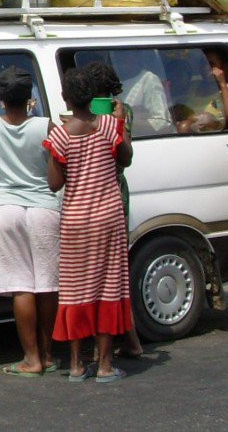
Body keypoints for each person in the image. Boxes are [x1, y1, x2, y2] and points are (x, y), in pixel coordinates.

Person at [45, 66, 133, 384]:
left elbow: (54, 183)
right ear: (94, 97)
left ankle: (77, 364)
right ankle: (106, 365)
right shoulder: (109, 125)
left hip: (76, 221)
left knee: (75, 289)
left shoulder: (60, 134)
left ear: (66, 99)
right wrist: (118, 122)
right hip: (109, 217)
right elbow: (126, 158)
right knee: (108, 286)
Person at [0, 67, 59, 377]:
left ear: (0, 98)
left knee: (21, 287)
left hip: (7, 208)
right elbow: (54, 173)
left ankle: (31, 358)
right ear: (29, 98)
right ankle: (49, 355)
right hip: (44, 208)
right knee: (48, 286)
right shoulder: (46, 127)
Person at [82, 61, 145, 360]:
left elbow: (125, 156)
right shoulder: (119, 111)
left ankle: (105, 344)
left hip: (106, 196)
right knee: (112, 275)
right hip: (112, 195)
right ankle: (126, 340)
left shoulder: (116, 114)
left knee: (104, 275)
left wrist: (114, 123)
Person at [117, 52, 173, 136]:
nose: (121, 60)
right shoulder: (114, 82)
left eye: (126, 56)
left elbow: (163, 123)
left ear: (137, 58)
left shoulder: (148, 79)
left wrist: (124, 121)